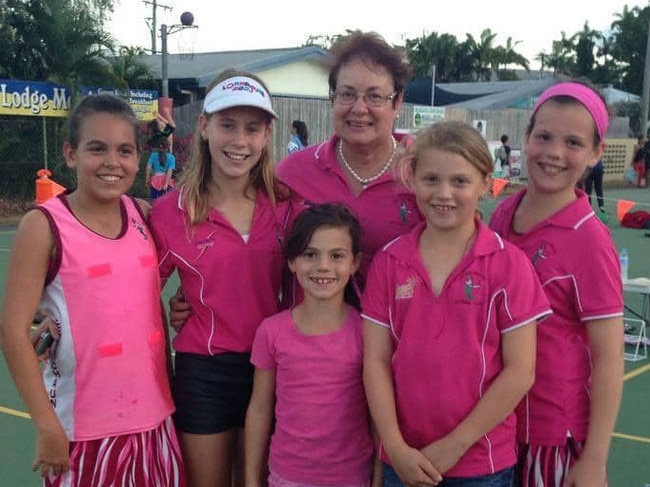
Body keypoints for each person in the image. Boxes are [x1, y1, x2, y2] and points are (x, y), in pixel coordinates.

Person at [0, 93, 185, 486]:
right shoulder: (44, 226)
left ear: (138, 159)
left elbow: (150, 302)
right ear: (70, 153)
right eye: (97, 149)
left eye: (124, 151)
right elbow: (13, 331)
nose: (112, 162)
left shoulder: (144, 215)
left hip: (155, 422)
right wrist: (47, 426)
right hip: (83, 433)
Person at [362, 121, 551, 486]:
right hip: (404, 461)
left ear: (484, 183)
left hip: (481, 464)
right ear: (413, 178)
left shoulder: (509, 264)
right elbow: (375, 360)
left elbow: (520, 371)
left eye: (459, 181)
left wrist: (456, 444)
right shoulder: (389, 262)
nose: (443, 193)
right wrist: (395, 447)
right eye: (431, 179)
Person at [149, 68, 297, 487]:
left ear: (267, 134)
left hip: (277, 369)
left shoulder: (288, 205)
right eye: (227, 125)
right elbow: (133, 293)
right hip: (205, 372)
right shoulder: (170, 212)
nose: (239, 141)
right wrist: (60, 317)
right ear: (203, 127)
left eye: (252, 128)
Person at [489, 81, 624, 487]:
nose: (554, 153)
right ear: (526, 137)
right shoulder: (502, 214)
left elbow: (609, 357)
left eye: (573, 143)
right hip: (496, 425)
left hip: (552, 436)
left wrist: (595, 459)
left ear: (595, 153)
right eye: (544, 136)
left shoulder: (589, 238)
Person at [245, 203, 376, 487]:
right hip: (287, 476)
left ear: (354, 263)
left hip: (351, 477)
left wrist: (378, 479)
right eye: (310, 254)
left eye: (337, 255)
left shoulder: (367, 333)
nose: (323, 266)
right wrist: (251, 479)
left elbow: (377, 417)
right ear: (292, 261)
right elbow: (259, 408)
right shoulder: (271, 332)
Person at [277, 30, 422, 281]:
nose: (359, 108)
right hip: (309, 319)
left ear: (397, 102)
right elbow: (261, 248)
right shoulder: (294, 172)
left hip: (397, 319)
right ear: (332, 98)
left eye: (374, 96)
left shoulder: (422, 175)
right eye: (347, 94)